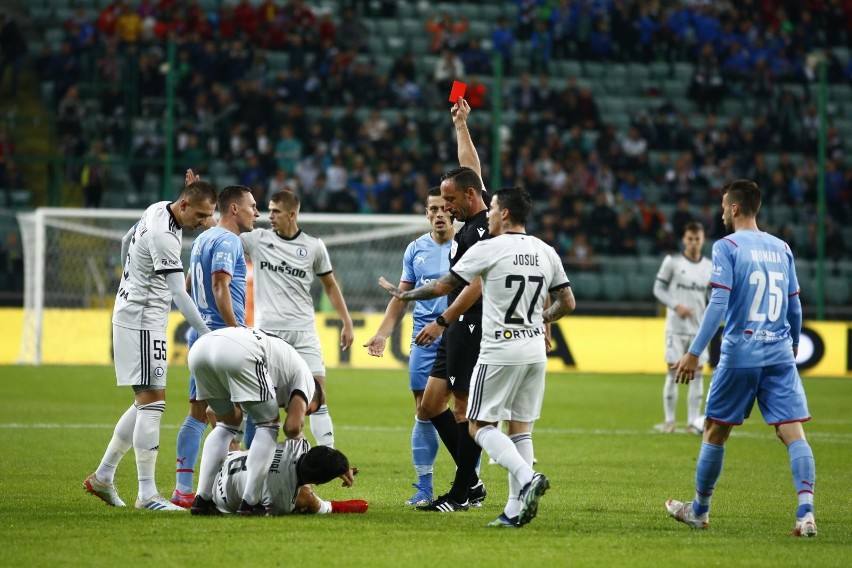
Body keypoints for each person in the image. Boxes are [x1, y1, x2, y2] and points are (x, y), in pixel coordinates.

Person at [379, 184, 576, 527]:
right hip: (534, 352)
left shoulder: (490, 248)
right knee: (520, 430)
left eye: (493, 207)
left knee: (478, 424)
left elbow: (443, 286)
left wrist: (402, 294)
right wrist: (540, 320)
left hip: (499, 349)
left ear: (504, 214)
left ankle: (527, 477)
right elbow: (567, 302)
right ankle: (514, 511)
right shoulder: (546, 250)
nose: (489, 213)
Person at [667, 179, 817, 537]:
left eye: (723, 206)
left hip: (741, 353)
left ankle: (699, 511)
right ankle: (806, 513)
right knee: (793, 432)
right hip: (779, 352)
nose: (721, 212)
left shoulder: (727, 246)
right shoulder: (782, 247)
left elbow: (718, 303)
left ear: (734, 208)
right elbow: (795, 304)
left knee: (715, 430)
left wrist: (693, 353)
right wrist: (793, 344)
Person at [83, 176, 217, 511]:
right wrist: (208, 333)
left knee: (145, 403)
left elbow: (126, 240)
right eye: (200, 216)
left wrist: (129, 277)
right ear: (184, 205)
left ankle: (103, 477)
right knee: (153, 404)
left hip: (136, 314)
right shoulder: (164, 236)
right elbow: (179, 295)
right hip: (142, 320)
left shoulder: (157, 208)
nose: (202, 223)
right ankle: (147, 495)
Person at [389, 97, 493, 513]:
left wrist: (443, 321)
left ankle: (462, 489)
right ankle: (472, 481)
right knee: (431, 405)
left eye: (450, 200)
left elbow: (478, 284)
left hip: (470, 324)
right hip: (455, 327)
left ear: (469, 196)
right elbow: (470, 168)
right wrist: (461, 125)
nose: (444, 208)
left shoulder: (484, 230)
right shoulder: (471, 217)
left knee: (465, 408)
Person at [240, 190, 354, 450]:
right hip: (269, 333)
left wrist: (346, 322)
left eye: (276, 211)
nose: (270, 216)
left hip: (303, 331)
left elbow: (331, 286)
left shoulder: (314, 246)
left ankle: (329, 457)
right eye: (269, 211)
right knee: (258, 398)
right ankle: (251, 457)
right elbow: (221, 229)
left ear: (292, 214)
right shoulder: (258, 240)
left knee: (318, 396)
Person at [363, 186, 455, 506]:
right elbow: (400, 300)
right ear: (426, 214)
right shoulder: (415, 249)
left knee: (463, 412)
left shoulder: (470, 245)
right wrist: (382, 334)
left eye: (445, 207)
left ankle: (469, 482)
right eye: (433, 209)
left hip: (460, 337)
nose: (439, 214)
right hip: (424, 340)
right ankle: (425, 487)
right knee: (423, 410)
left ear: (454, 210)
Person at [170, 181, 260, 508]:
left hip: (200, 335)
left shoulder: (204, 237)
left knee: (199, 412)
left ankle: (183, 489)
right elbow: (219, 286)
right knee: (240, 413)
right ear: (234, 209)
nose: (257, 212)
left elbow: (192, 284)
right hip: (223, 335)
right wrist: (237, 331)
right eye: (252, 205)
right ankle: (235, 480)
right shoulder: (228, 242)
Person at [187, 326, 330, 516]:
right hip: (240, 351)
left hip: (201, 350)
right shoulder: (307, 379)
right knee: (269, 425)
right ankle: (250, 503)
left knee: (226, 425)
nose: (303, 412)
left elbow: (211, 411)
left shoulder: (280, 371)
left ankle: (202, 500)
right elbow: (292, 427)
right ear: (313, 397)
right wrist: (300, 442)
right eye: (309, 410)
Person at [653, 221, 712, 435]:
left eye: (697, 239)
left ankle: (693, 423)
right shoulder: (673, 262)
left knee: (697, 374)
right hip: (675, 328)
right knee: (671, 372)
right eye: (690, 239)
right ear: (684, 240)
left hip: (699, 330)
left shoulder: (710, 266)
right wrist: (675, 305)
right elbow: (658, 289)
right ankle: (669, 421)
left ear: (703, 240)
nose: (694, 243)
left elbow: (711, 296)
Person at [211, 439, 367, 516]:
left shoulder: (297, 444)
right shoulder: (281, 499)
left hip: (223, 462)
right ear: (319, 482)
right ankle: (330, 507)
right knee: (306, 498)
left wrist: (337, 466)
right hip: (218, 497)